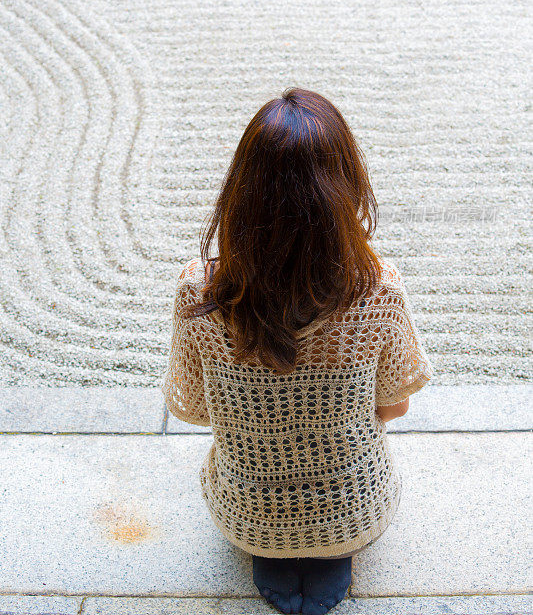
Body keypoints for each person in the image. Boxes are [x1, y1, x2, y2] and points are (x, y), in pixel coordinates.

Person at [161, 87, 433, 614]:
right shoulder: (378, 290)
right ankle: (330, 539)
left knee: (266, 524)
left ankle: (274, 540)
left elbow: (192, 409)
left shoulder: (201, 291)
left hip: (247, 507)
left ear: (239, 191)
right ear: (347, 184)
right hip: (354, 503)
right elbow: (394, 404)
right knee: (339, 509)